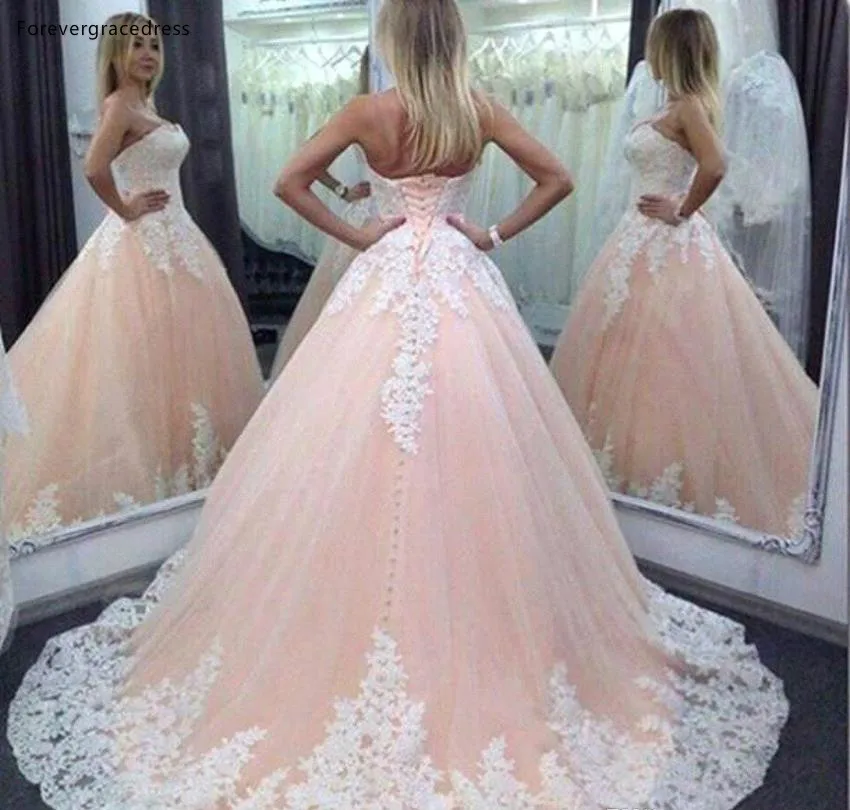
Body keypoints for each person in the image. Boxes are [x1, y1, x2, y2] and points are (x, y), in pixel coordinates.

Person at [7, 3, 788, 807]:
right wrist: (488, 235)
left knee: (351, 438)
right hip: (458, 276)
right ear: (452, 39)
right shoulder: (475, 109)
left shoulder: (368, 112)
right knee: (477, 438)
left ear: (393, 41)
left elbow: (287, 182)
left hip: (381, 280)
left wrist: (361, 237)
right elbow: (557, 177)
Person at [549, 8, 818, 537]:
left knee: (666, 359)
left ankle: (658, 479)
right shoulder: (674, 106)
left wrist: (683, 208)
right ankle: (622, 471)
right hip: (637, 244)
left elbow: (715, 164)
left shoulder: (689, 107)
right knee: (628, 357)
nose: (649, 55)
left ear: (671, 49)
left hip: (667, 245)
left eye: (656, 45)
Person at [3, 13, 265, 542]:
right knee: (143, 357)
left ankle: (190, 468)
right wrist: (125, 209)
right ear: (116, 54)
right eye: (136, 46)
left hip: (178, 242)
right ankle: (154, 479)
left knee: (182, 355)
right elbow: (94, 167)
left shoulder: (146, 105)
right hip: (143, 247)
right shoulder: (121, 104)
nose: (148, 54)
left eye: (154, 46)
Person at [268, 47, 374, 380]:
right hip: (367, 218)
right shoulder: (359, 110)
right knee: (351, 310)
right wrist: (343, 191)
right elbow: (304, 157)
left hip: (403, 216)